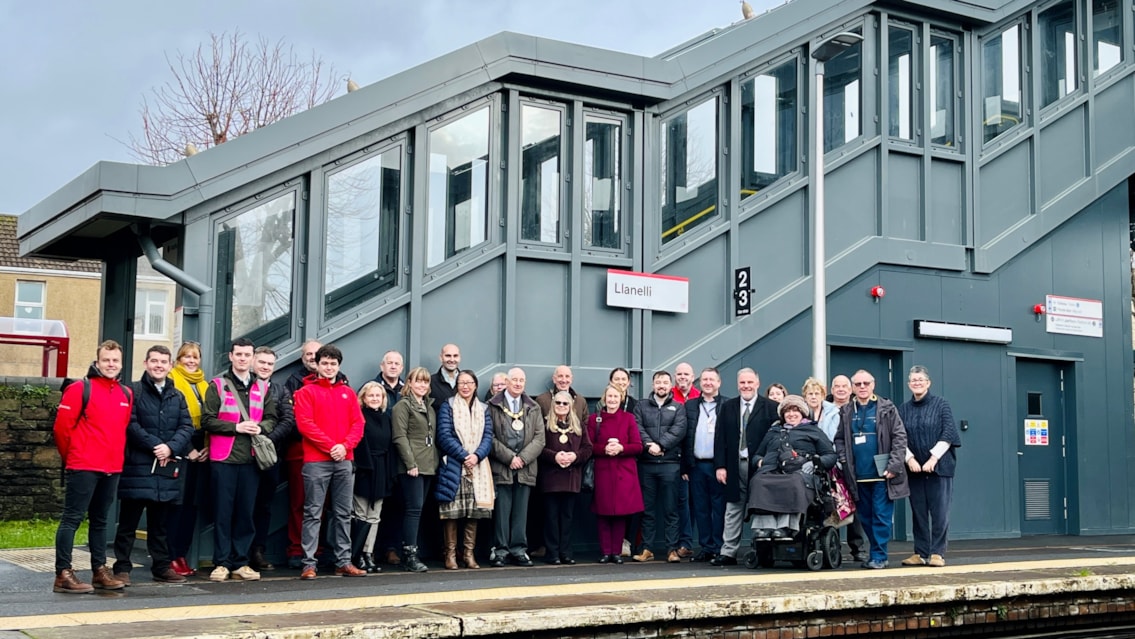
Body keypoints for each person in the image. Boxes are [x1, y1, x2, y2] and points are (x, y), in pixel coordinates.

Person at [52, 340, 135, 594]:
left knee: (100, 521)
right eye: (106, 360)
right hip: (83, 464)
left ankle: (99, 570)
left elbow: (120, 430)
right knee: (72, 519)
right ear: (97, 362)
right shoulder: (79, 389)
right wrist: (73, 458)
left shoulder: (126, 394)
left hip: (111, 467)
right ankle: (63, 573)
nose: (111, 365)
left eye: (115, 361)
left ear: (121, 364)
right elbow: (61, 429)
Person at [111, 345, 194, 586]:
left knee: (160, 526)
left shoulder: (177, 395)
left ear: (170, 366)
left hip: (165, 469)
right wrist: (156, 445)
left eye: (163, 362)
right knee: (128, 524)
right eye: (154, 361)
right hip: (138, 468)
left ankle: (161, 567)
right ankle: (122, 569)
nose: (159, 365)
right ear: (146, 363)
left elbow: (187, 426)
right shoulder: (132, 391)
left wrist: (171, 448)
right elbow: (130, 423)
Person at [202, 337, 279, 582]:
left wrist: (260, 427)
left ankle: (240, 562)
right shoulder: (217, 385)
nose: (243, 358)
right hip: (224, 458)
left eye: (247, 355)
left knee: (246, 513)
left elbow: (271, 417)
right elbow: (207, 420)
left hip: (252, 459)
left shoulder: (263, 387)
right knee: (223, 513)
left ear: (253, 358)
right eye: (239, 354)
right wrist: (237, 427)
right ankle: (221, 563)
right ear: (231, 356)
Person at [293, 344, 367, 579]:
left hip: (344, 460)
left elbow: (359, 424)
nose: (329, 367)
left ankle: (343, 561)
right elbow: (305, 425)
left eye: (333, 363)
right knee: (313, 512)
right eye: (324, 363)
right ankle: (309, 563)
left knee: (343, 513)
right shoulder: (306, 392)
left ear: (339, 366)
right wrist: (332, 446)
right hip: (316, 461)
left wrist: (344, 446)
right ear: (317, 365)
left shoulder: (348, 393)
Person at [835, 370, 909, 569]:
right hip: (857, 475)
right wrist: (843, 457)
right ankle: (876, 553)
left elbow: (900, 437)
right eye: (857, 384)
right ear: (852, 387)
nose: (862, 387)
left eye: (865, 383)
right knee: (865, 517)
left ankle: (879, 556)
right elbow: (840, 438)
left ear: (873, 384)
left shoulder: (886, 408)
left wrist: (894, 465)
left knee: (881, 516)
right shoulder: (847, 411)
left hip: (882, 475)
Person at [711, 367, 778, 566]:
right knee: (733, 508)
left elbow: (775, 439)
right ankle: (728, 552)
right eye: (742, 383)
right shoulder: (728, 406)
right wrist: (720, 466)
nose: (746, 386)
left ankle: (762, 552)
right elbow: (719, 438)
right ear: (737, 384)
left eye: (750, 382)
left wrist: (769, 463)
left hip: (760, 467)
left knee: (761, 507)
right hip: (734, 465)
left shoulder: (771, 407)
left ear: (757, 383)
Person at [897, 366, 960, 568]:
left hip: (940, 468)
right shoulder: (903, 409)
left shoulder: (941, 404)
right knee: (919, 513)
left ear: (928, 383)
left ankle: (937, 553)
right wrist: (910, 460)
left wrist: (933, 459)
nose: (917, 383)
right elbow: (898, 437)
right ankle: (921, 552)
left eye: (920, 379)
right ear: (909, 385)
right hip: (914, 469)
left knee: (940, 512)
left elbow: (949, 433)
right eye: (913, 380)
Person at [748, 395, 836, 538]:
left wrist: (814, 463)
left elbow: (830, 455)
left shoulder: (813, 431)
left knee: (793, 482)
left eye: (795, 410)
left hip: (800, 471)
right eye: (787, 411)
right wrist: (760, 462)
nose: (791, 414)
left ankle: (786, 526)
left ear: (802, 413)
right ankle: (764, 527)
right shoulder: (774, 431)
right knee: (759, 481)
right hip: (772, 469)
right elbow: (758, 454)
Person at [434, 370, 494, 569]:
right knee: (452, 512)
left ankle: (468, 554)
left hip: (478, 467)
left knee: (473, 513)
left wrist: (477, 455)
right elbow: (443, 435)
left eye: (469, 383)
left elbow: (488, 436)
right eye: (461, 383)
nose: (465, 386)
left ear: (475, 385)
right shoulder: (448, 406)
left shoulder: (484, 408)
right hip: (454, 465)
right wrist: (464, 455)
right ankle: (450, 554)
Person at [486, 367, 545, 567]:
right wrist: (510, 457)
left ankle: (519, 549)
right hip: (502, 467)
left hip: (525, 468)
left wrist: (523, 458)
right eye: (514, 380)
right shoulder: (492, 406)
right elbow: (489, 437)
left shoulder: (533, 407)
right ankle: (500, 551)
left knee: (521, 512)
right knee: (502, 512)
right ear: (507, 382)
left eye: (522, 380)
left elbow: (539, 438)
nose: (518, 383)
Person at [632, 371, 687, 563]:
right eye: (658, 382)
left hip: (670, 464)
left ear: (670, 385)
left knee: (671, 509)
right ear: (653, 384)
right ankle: (647, 548)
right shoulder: (641, 406)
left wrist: (661, 445)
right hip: (647, 464)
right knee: (647, 510)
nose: (661, 385)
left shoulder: (678, 408)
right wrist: (650, 446)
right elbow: (637, 427)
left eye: (665, 382)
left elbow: (679, 430)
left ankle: (671, 550)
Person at [166, 340, 211, 577]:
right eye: (187, 357)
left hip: (202, 452)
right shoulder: (172, 381)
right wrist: (190, 448)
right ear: (179, 359)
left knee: (192, 506)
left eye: (195, 357)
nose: (192, 361)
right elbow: (175, 421)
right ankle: (171, 555)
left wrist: (206, 447)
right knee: (178, 505)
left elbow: (212, 418)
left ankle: (182, 554)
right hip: (182, 451)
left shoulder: (205, 385)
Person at [250, 346, 295, 572]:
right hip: (242, 456)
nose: (265, 367)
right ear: (252, 362)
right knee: (242, 506)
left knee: (264, 506)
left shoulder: (280, 391)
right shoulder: (242, 388)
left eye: (269, 364)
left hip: (270, 458)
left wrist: (266, 439)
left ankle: (258, 551)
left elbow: (288, 420)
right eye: (262, 362)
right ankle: (235, 553)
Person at [589, 385, 644, 564]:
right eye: (609, 396)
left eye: (615, 396)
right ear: (604, 398)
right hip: (603, 471)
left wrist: (621, 448)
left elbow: (637, 445)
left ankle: (617, 552)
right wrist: (604, 449)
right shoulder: (594, 419)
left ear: (621, 398)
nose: (612, 400)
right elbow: (589, 446)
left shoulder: (629, 418)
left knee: (621, 514)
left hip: (624, 473)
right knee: (603, 513)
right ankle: (606, 552)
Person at [538, 390, 593, 565]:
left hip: (571, 478)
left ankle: (566, 552)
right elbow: (539, 448)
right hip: (551, 478)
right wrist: (554, 456)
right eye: (558, 403)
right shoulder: (544, 424)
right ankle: (552, 553)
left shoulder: (579, 427)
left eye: (565, 403)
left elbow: (588, 448)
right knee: (551, 517)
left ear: (571, 406)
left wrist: (574, 457)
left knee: (568, 517)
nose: (561, 406)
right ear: (553, 405)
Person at [391, 366, 437, 572]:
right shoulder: (403, 406)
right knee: (413, 509)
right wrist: (410, 464)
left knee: (417, 510)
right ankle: (409, 554)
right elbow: (400, 437)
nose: (422, 385)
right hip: (412, 467)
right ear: (409, 383)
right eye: (418, 381)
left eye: (425, 382)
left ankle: (408, 550)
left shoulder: (429, 407)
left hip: (428, 465)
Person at [282, 339, 321, 568]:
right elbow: (293, 418)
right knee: (300, 503)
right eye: (308, 354)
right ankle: (297, 549)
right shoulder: (294, 381)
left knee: (323, 506)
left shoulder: (340, 379)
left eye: (316, 353)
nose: (313, 358)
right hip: (300, 451)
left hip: (328, 453)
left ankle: (319, 549)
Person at [683, 367, 727, 562]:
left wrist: (723, 465)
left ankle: (719, 546)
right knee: (700, 508)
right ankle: (706, 547)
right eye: (705, 379)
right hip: (696, 465)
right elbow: (685, 436)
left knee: (718, 508)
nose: (708, 383)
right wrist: (685, 466)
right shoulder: (690, 405)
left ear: (719, 383)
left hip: (717, 466)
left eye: (712, 379)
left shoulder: (727, 405)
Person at [351, 382, 395, 573]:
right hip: (365, 469)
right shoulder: (359, 417)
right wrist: (365, 468)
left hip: (382, 470)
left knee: (375, 516)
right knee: (361, 514)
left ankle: (369, 554)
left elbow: (391, 446)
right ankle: (357, 554)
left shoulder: (386, 418)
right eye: (371, 395)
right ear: (363, 398)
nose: (375, 399)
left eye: (379, 396)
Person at [829, 373, 866, 562]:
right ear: (831, 389)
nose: (841, 389)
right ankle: (829, 546)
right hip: (829, 464)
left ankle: (857, 547)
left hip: (852, 463)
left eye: (845, 386)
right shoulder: (823, 409)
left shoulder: (858, 409)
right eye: (837, 386)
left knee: (855, 506)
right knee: (829, 506)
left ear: (850, 390)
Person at [670, 361, 699, 558]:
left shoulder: (700, 396)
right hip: (677, 458)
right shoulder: (669, 395)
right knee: (682, 502)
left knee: (697, 503)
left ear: (692, 376)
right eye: (679, 374)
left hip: (698, 456)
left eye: (686, 374)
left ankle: (690, 542)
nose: (682, 377)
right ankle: (683, 542)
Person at [803, 378, 839, 443]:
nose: (813, 397)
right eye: (810, 394)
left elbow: (836, 437)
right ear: (805, 397)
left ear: (822, 396)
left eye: (817, 394)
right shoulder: (800, 413)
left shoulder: (833, 413)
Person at [430, 343, 462, 410]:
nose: (452, 359)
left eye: (455, 356)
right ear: (441, 358)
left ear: (459, 358)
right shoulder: (430, 382)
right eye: (448, 356)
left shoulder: (467, 382)